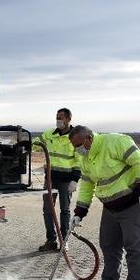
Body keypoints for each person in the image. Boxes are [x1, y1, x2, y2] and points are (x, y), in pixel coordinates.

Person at [68, 125, 140, 280]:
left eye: (79, 145)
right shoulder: (85, 157)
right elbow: (87, 186)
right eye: (74, 146)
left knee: (135, 248)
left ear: (89, 138)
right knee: (109, 245)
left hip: (134, 204)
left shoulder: (116, 141)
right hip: (110, 207)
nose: (77, 150)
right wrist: (79, 212)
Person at [33, 108, 81, 252]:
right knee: (48, 210)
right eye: (57, 117)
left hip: (66, 180)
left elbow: (79, 161)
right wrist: (24, 141)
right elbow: (36, 142)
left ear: (68, 119)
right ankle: (51, 240)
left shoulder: (74, 137)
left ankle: (63, 240)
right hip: (51, 179)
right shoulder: (50, 134)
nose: (58, 120)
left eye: (61, 118)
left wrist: (75, 179)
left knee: (64, 210)